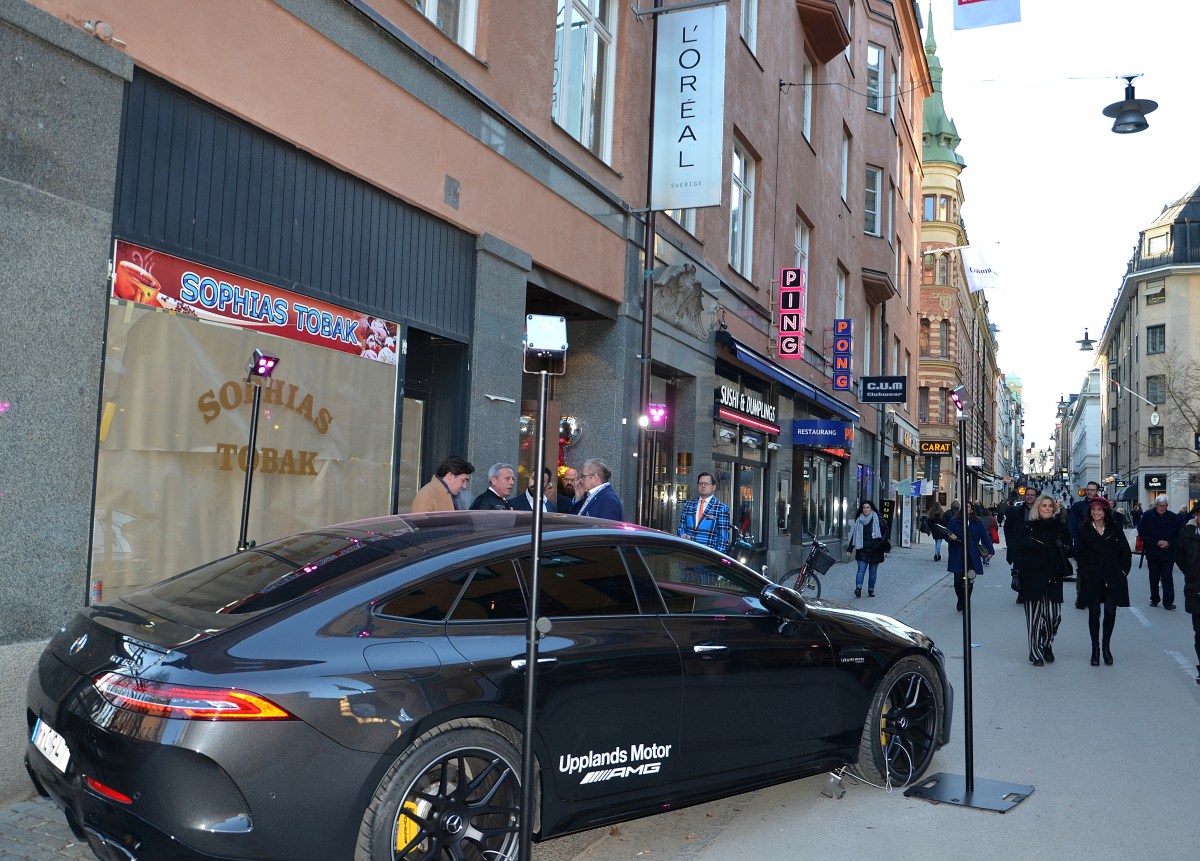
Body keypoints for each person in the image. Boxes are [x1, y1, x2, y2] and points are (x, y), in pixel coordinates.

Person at [1014, 495, 1070, 667]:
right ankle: (1035, 653)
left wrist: (1064, 546)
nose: (1047, 508)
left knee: (1054, 617)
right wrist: (1016, 573)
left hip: (1054, 576)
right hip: (1032, 576)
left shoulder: (1060, 527)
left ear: (1054, 509)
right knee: (1034, 619)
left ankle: (1046, 643)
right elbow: (1019, 552)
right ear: (1037, 508)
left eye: (1050, 506)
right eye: (1044, 505)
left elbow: (1071, 549)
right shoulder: (1028, 527)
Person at [1075, 497, 1132, 666]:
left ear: (1106, 511)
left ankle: (1106, 646)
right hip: (1092, 575)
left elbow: (1125, 550)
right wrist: (1084, 573)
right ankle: (1095, 649)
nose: (1096, 512)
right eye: (1093, 509)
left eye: (1099, 509)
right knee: (1094, 612)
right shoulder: (1083, 529)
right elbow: (1080, 554)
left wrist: (1123, 571)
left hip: (1112, 574)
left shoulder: (1114, 528)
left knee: (1110, 612)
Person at [1137, 494, 1183, 609]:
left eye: (1164, 506)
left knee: (1167, 577)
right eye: (1160, 506)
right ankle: (1154, 598)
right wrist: (1155, 542)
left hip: (1168, 553)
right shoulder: (1148, 516)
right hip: (1153, 552)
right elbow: (1142, 533)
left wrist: (1169, 543)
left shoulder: (1173, 517)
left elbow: (1179, 534)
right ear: (1156, 505)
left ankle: (1168, 602)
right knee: (1154, 577)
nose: (1162, 508)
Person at [945, 504, 994, 612]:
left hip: (972, 555)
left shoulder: (977, 522)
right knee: (957, 581)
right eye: (963, 506)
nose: (965, 508)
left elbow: (984, 536)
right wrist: (950, 538)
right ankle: (960, 599)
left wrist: (991, 550)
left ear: (971, 510)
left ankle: (966, 601)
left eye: (967, 507)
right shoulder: (954, 521)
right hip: (957, 554)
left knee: (969, 580)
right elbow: (946, 535)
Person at [1172, 503, 1200, 685]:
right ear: (1197, 515)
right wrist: (1191, 573)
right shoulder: (1187, 533)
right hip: (1196, 589)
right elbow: (1179, 557)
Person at [677, 472, 732, 553]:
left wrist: (715, 558)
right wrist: (683, 534)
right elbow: (681, 528)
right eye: (700, 483)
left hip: (707, 556)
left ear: (714, 487)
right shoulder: (689, 505)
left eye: (706, 483)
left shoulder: (721, 508)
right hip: (688, 553)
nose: (703, 486)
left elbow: (723, 540)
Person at [1004, 487, 1039, 603]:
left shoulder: (1041, 511)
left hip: (1036, 546)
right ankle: (1021, 593)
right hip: (1019, 546)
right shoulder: (1015, 511)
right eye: (1028, 494)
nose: (1029, 497)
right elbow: (1007, 527)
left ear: (1036, 497)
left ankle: (1032, 593)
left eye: (1032, 495)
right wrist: (1010, 543)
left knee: (1034, 571)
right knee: (1020, 570)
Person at [847, 501, 886, 599]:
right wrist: (850, 549)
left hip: (875, 550)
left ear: (871, 508)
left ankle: (871, 590)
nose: (865, 509)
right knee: (861, 570)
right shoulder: (859, 520)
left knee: (872, 571)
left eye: (868, 507)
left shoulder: (878, 518)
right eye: (864, 507)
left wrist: (881, 543)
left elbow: (885, 531)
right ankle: (858, 589)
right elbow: (854, 535)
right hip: (862, 549)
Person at [410, 455, 475, 512]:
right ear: (450, 475)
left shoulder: (454, 496)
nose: (464, 486)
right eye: (463, 480)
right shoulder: (426, 495)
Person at [1067, 481, 1102, 549]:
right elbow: (1071, 523)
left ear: (1097, 491)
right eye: (1088, 489)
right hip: (1081, 541)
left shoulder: (1103, 506)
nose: (1089, 492)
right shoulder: (1078, 506)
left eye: (1092, 490)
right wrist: (1073, 538)